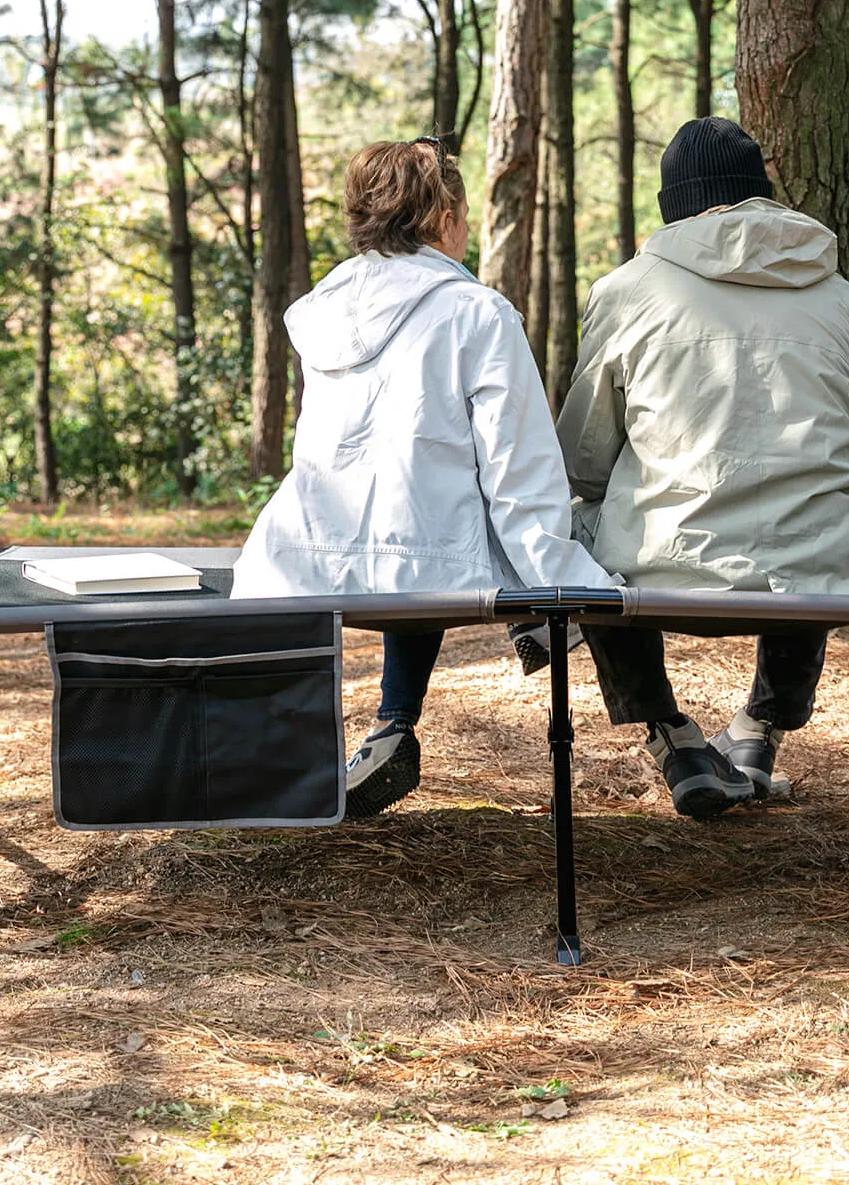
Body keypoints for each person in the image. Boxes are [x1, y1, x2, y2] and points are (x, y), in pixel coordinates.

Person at [556, 117, 849, 819]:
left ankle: (670, 733)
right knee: (818, 507)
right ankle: (761, 729)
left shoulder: (628, 289)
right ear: (760, 193)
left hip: (665, 572)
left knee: (574, 530)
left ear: (674, 203)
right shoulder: (836, 291)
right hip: (812, 576)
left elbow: (584, 460)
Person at [233, 137, 614, 817]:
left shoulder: (326, 311)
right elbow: (518, 468)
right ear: (444, 219)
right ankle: (661, 728)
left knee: (427, 504)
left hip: (308, 545)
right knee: (458, 519)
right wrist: (567, 581)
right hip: (426, 550)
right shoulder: (477, 315)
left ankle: (384, 727)